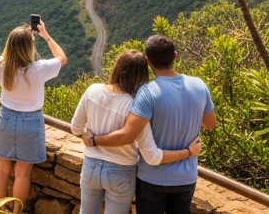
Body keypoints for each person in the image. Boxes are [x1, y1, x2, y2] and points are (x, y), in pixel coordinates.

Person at [83, 35, 216, 214]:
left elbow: (128, 135)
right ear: (175, 56)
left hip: (153, 178)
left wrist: (94, 139)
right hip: (186, 177)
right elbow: (210, 124)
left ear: (148, 61)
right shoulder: (200, 86)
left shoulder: (148, 92)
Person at [0, 21, 67, 214]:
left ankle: (0, 209)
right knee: (22, 174)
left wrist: (22, 37)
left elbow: (8, 54)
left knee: (1, 169)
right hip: (30, 121)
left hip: (6, 118)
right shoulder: (39, 68)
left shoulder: (1, 65)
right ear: (30, 47)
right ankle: (17, 212)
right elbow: (62, 58)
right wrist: (45, 35)